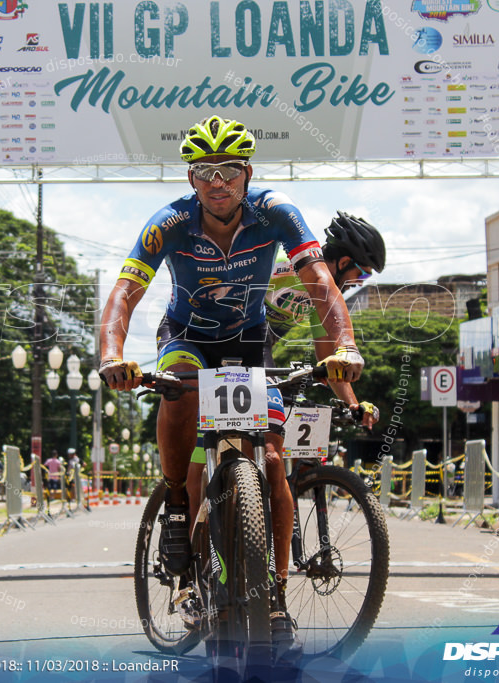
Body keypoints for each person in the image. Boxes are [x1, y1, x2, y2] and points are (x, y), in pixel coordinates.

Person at [98, 116, 363, 645]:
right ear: (191, 179)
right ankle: (177, 506)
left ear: (247, 173)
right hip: (187, 336)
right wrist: (112, 354)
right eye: (204, 172)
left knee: (270, 459)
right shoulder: (168, 224)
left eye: (228, 171)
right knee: (176, 385)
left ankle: (279, 594)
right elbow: (125, 293)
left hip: (247, 340)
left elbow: (320, 284)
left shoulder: (278, 213)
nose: (217, 182)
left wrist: (347, 347)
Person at [265, 211, 385, 429]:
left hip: (261, 351)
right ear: (344, 262)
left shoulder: (324, 297)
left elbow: (329, 357)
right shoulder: (283, 265)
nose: (360, 283)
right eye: (363, 275)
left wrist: (353, 406)